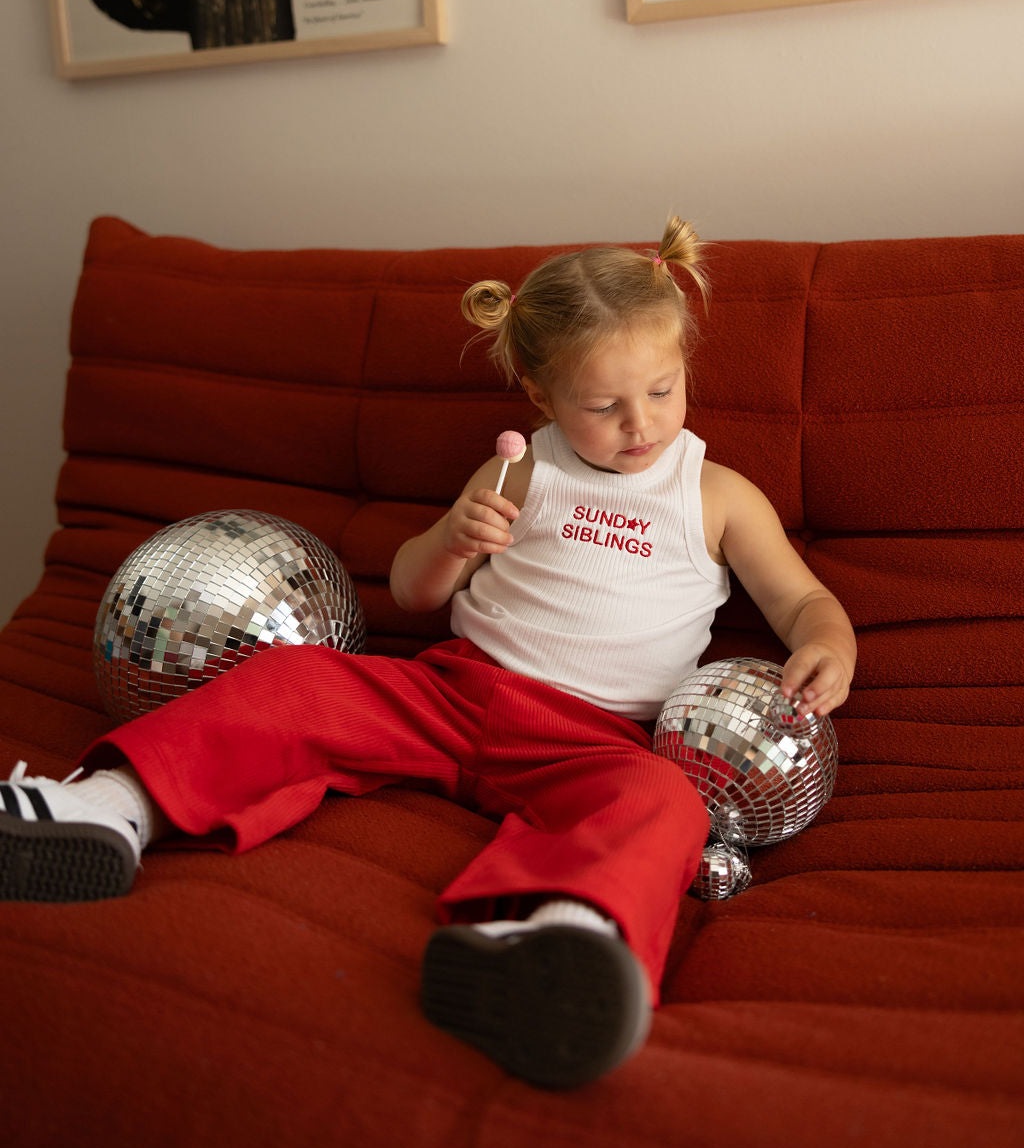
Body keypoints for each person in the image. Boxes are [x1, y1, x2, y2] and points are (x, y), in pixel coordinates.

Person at [0, 217, 856, 1089]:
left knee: (664, 802)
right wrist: (454, 535)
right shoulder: (517, 471)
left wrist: (827, 641)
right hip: (451, 693)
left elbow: (800, 597)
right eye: (603, 407)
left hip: (595, 741)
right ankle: (108, 806)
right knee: (296, 681)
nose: (640, 425)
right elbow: (414, 589)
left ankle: (560, 935)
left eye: (664, 392)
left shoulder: (715, 494)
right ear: (540, 390)